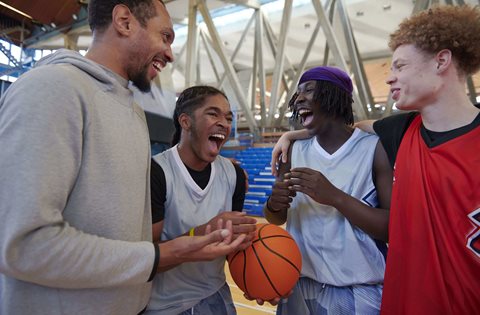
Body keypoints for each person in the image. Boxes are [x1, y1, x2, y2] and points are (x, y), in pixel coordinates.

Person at [0, 1, 246, 314]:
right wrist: (162, 255)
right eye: (165, 36)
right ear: (124, 21)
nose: (170, 54)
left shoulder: (133, 112)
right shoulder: (51, 88)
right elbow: (22, 244)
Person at [271, 5, 480, 314]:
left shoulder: (387, 142)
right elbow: (348, 127)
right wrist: (291, 135)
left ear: (442, 61)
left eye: (399, 66)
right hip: (406, 301)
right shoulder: (400, 131)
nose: (389, 79)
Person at [265, 66, 392, 315]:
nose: (299, 98)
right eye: (298, 93)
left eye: (309, 90)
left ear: (335, 96)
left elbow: (391, 228)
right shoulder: (292, 150)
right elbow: (275, 217)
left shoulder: (374, 148)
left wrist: (334, 196)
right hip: (299, 286)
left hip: (358, 291)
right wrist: (274, 204)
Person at [145, 85, 257, 315]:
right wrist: (203, 233)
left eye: (228, 117)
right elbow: (147, 260)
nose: (224, 123)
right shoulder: (157, 172)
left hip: (216, 297)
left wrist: (261, 278)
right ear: (185, 121)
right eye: (213, 113)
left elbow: (232, 248)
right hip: (166, 305)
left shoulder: (233, 175)